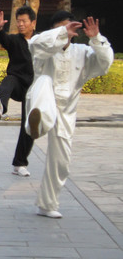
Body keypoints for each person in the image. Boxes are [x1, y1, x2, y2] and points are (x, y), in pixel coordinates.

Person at [25, 11, 114, 218]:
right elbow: (34, 44)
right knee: (44, 82)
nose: (67, 31)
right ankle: (35, 125)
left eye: (70, 27)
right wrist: (61, 33)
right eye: (61, 28)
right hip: (43, 99)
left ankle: (47, 204)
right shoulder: (44, 49)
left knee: (61, 162)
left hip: (66, 111)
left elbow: (105, 63)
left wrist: (95, 38)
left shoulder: (82, 52)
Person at [0, 6, 37, 177]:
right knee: (9, 79)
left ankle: (20, 164)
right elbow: (4, 40)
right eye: (19, 21)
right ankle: (0, 105)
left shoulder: (41, 42)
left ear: (33, 23)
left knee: (29, 126)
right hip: (17, 84)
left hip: (34, 89)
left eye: (24, 21)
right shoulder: (15, 40)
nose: (21, 24)